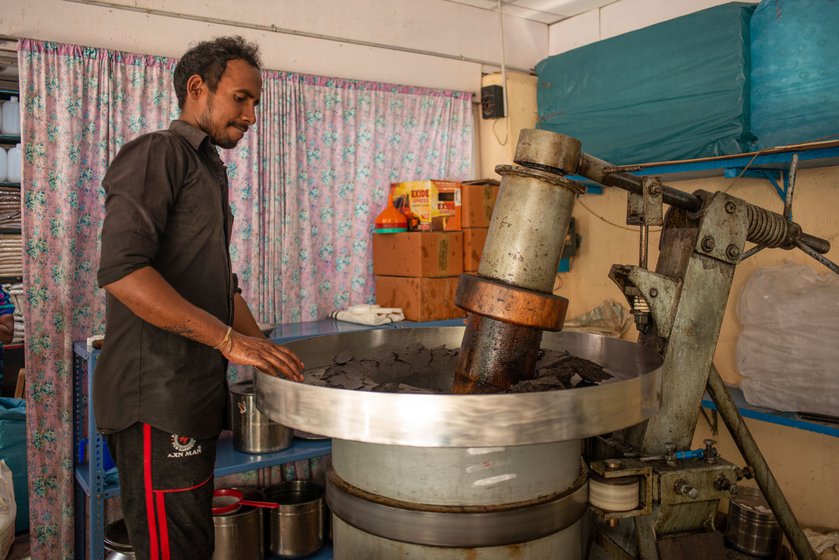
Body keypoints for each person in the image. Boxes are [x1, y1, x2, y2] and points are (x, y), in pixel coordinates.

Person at [93, 36, 304, 560]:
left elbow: (219, 286)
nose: (251, 115)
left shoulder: (209, 169)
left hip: (191, 397)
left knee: (192, 540)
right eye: (241, 98)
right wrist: (230, 342)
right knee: (175, 549)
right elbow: (123, 272)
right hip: (156, 400)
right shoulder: (158, 154)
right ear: (196, 88)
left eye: (256, 103)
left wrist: (271, 357)